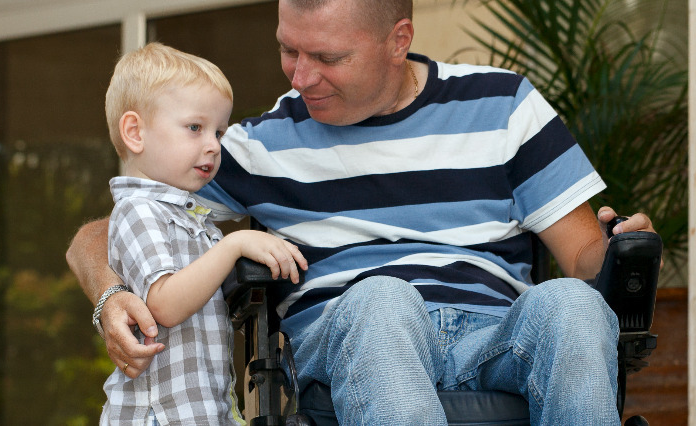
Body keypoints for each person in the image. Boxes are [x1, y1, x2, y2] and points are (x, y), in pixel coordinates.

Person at [66, 0, 660, 424]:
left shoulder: (503, 105)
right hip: (353, 334)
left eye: (326, 56)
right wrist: (110, 293)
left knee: (572, 304)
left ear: (397, 40)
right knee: (384, 299)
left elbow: (584, 257)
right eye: (287, 50)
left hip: (492, 338)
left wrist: (619, 249)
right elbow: (110, 225)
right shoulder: (259, 145)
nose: (301, 77)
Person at [96, 42, 307, 425]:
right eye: (195, 127)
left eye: (219, 132)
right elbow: (164, 304)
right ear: (135, 132)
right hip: (157, 415)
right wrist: (235, 244)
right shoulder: (138, 210)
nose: (213, 145)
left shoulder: (195, 219)